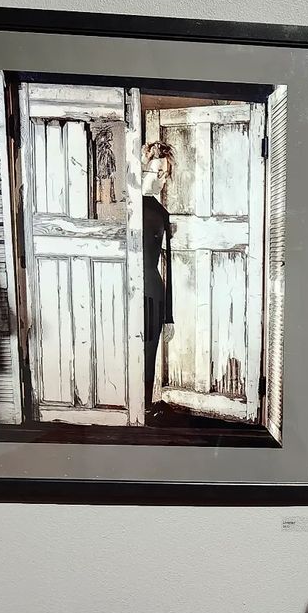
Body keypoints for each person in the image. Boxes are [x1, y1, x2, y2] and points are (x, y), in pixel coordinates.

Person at [140, 140, 176, 418]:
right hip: (129, 287)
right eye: (157, 172)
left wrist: (169, 315)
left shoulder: (161, 212)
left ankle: (145, 406)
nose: (162, 180)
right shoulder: (129, 206)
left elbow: (169, 265)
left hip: (153, 289)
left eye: (165, 174)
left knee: (150, 349)